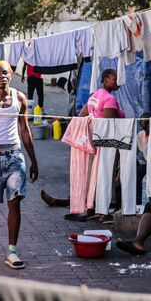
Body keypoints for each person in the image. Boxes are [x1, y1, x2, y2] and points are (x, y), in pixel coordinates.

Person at [0, 60, 39, 269]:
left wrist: (33, 161)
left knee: (15, 202)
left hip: (14, 155)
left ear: (11, 75)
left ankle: (12, 252)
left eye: (6, 73)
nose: (2, 76)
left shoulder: (20, 98)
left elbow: (25, 130)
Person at [40, 69, 123, 222]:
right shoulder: (110, 99)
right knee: (101, 178)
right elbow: (108, 127)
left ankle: (87, 208)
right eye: (115, 78)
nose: (119, 81)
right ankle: (99, 211)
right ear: (106, 80)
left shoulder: (95, 96)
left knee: (91, 179)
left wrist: (90, 128)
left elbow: (81, 117)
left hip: (91, 143)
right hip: (104, 147)